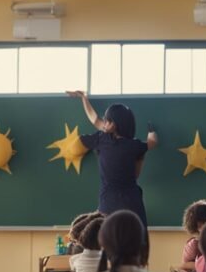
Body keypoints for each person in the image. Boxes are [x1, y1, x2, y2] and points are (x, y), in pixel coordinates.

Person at [67, 90, 158, 230]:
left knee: (108, 242)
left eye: (107, 120)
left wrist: (84, 98)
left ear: (113, 125)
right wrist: (151, 132)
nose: (104, 122)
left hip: (109, 203)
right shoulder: (136, 146)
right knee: (135, 242)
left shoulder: (102, 139)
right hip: (133, 203)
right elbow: (151, 144)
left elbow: (94, 119)